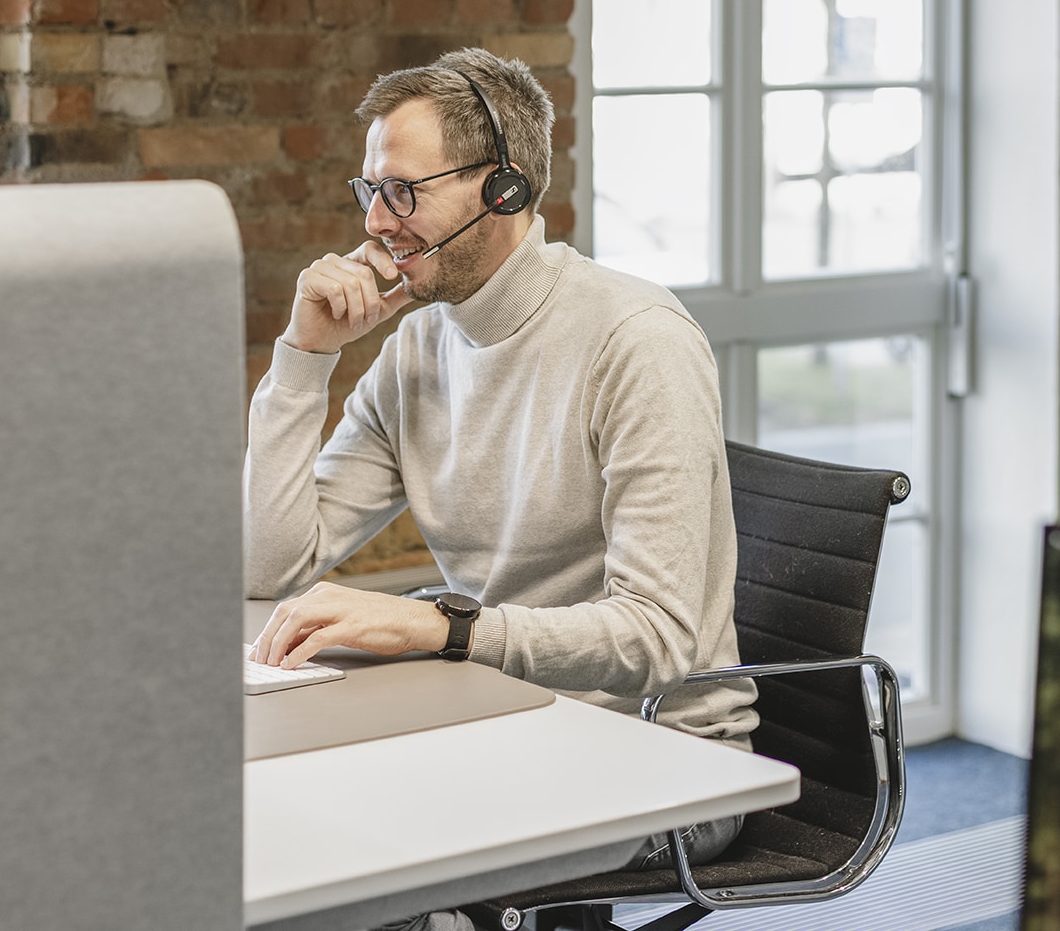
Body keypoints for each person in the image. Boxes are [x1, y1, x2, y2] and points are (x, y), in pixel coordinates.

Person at [243, 47, 758, 931]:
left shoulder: (636, 341)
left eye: (402, 191)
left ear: (504, 189)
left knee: (341, 866)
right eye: (369, 190)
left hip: (663, 760)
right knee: (267, 825)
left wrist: (447, 628)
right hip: (505, 717)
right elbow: (267, 565)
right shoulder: (419, 346)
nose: (375, 221)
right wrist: (304, 360)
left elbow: (659, 638)